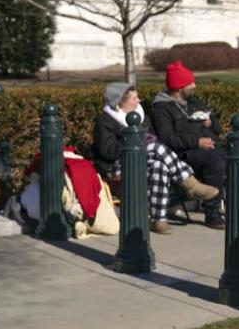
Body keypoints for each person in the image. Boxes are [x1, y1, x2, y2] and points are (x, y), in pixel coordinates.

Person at [93, 83, 219, 233]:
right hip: (117, 165)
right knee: (154, 146)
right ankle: (191, 184)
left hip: (144, 159)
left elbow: (155, 139)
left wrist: (144, 144)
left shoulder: (141, 115)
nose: (139, 100)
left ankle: (158, 220)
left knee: (160, 167)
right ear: (120, 102)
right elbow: (108, 151)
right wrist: (134, 140)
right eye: (134, 98)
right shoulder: (105, 121)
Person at [150, 61, 228, 229]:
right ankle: (212, 213)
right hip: (186, 154)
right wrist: (197, 142)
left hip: (213, 146)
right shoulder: (162, 108)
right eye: (189, 83)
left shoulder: (195, 102)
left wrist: (210, 123)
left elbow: (218, 128)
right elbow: (168, 139)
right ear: (178, 88)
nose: (194, 85)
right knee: (215, 162)